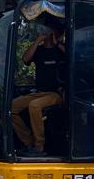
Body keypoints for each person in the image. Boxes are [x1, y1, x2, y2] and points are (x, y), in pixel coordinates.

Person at [11, 18, 66, 157]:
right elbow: (25, 59)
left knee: (34, 106)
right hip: (39, 92)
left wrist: (57, 42)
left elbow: (73, 58)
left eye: (48, 32)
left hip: (56, 94)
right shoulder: (39, 50)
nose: (45, 33)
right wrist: (37, 41)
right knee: (11, 107)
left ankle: (39, 146)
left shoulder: (61, 49)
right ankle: (28, 142)